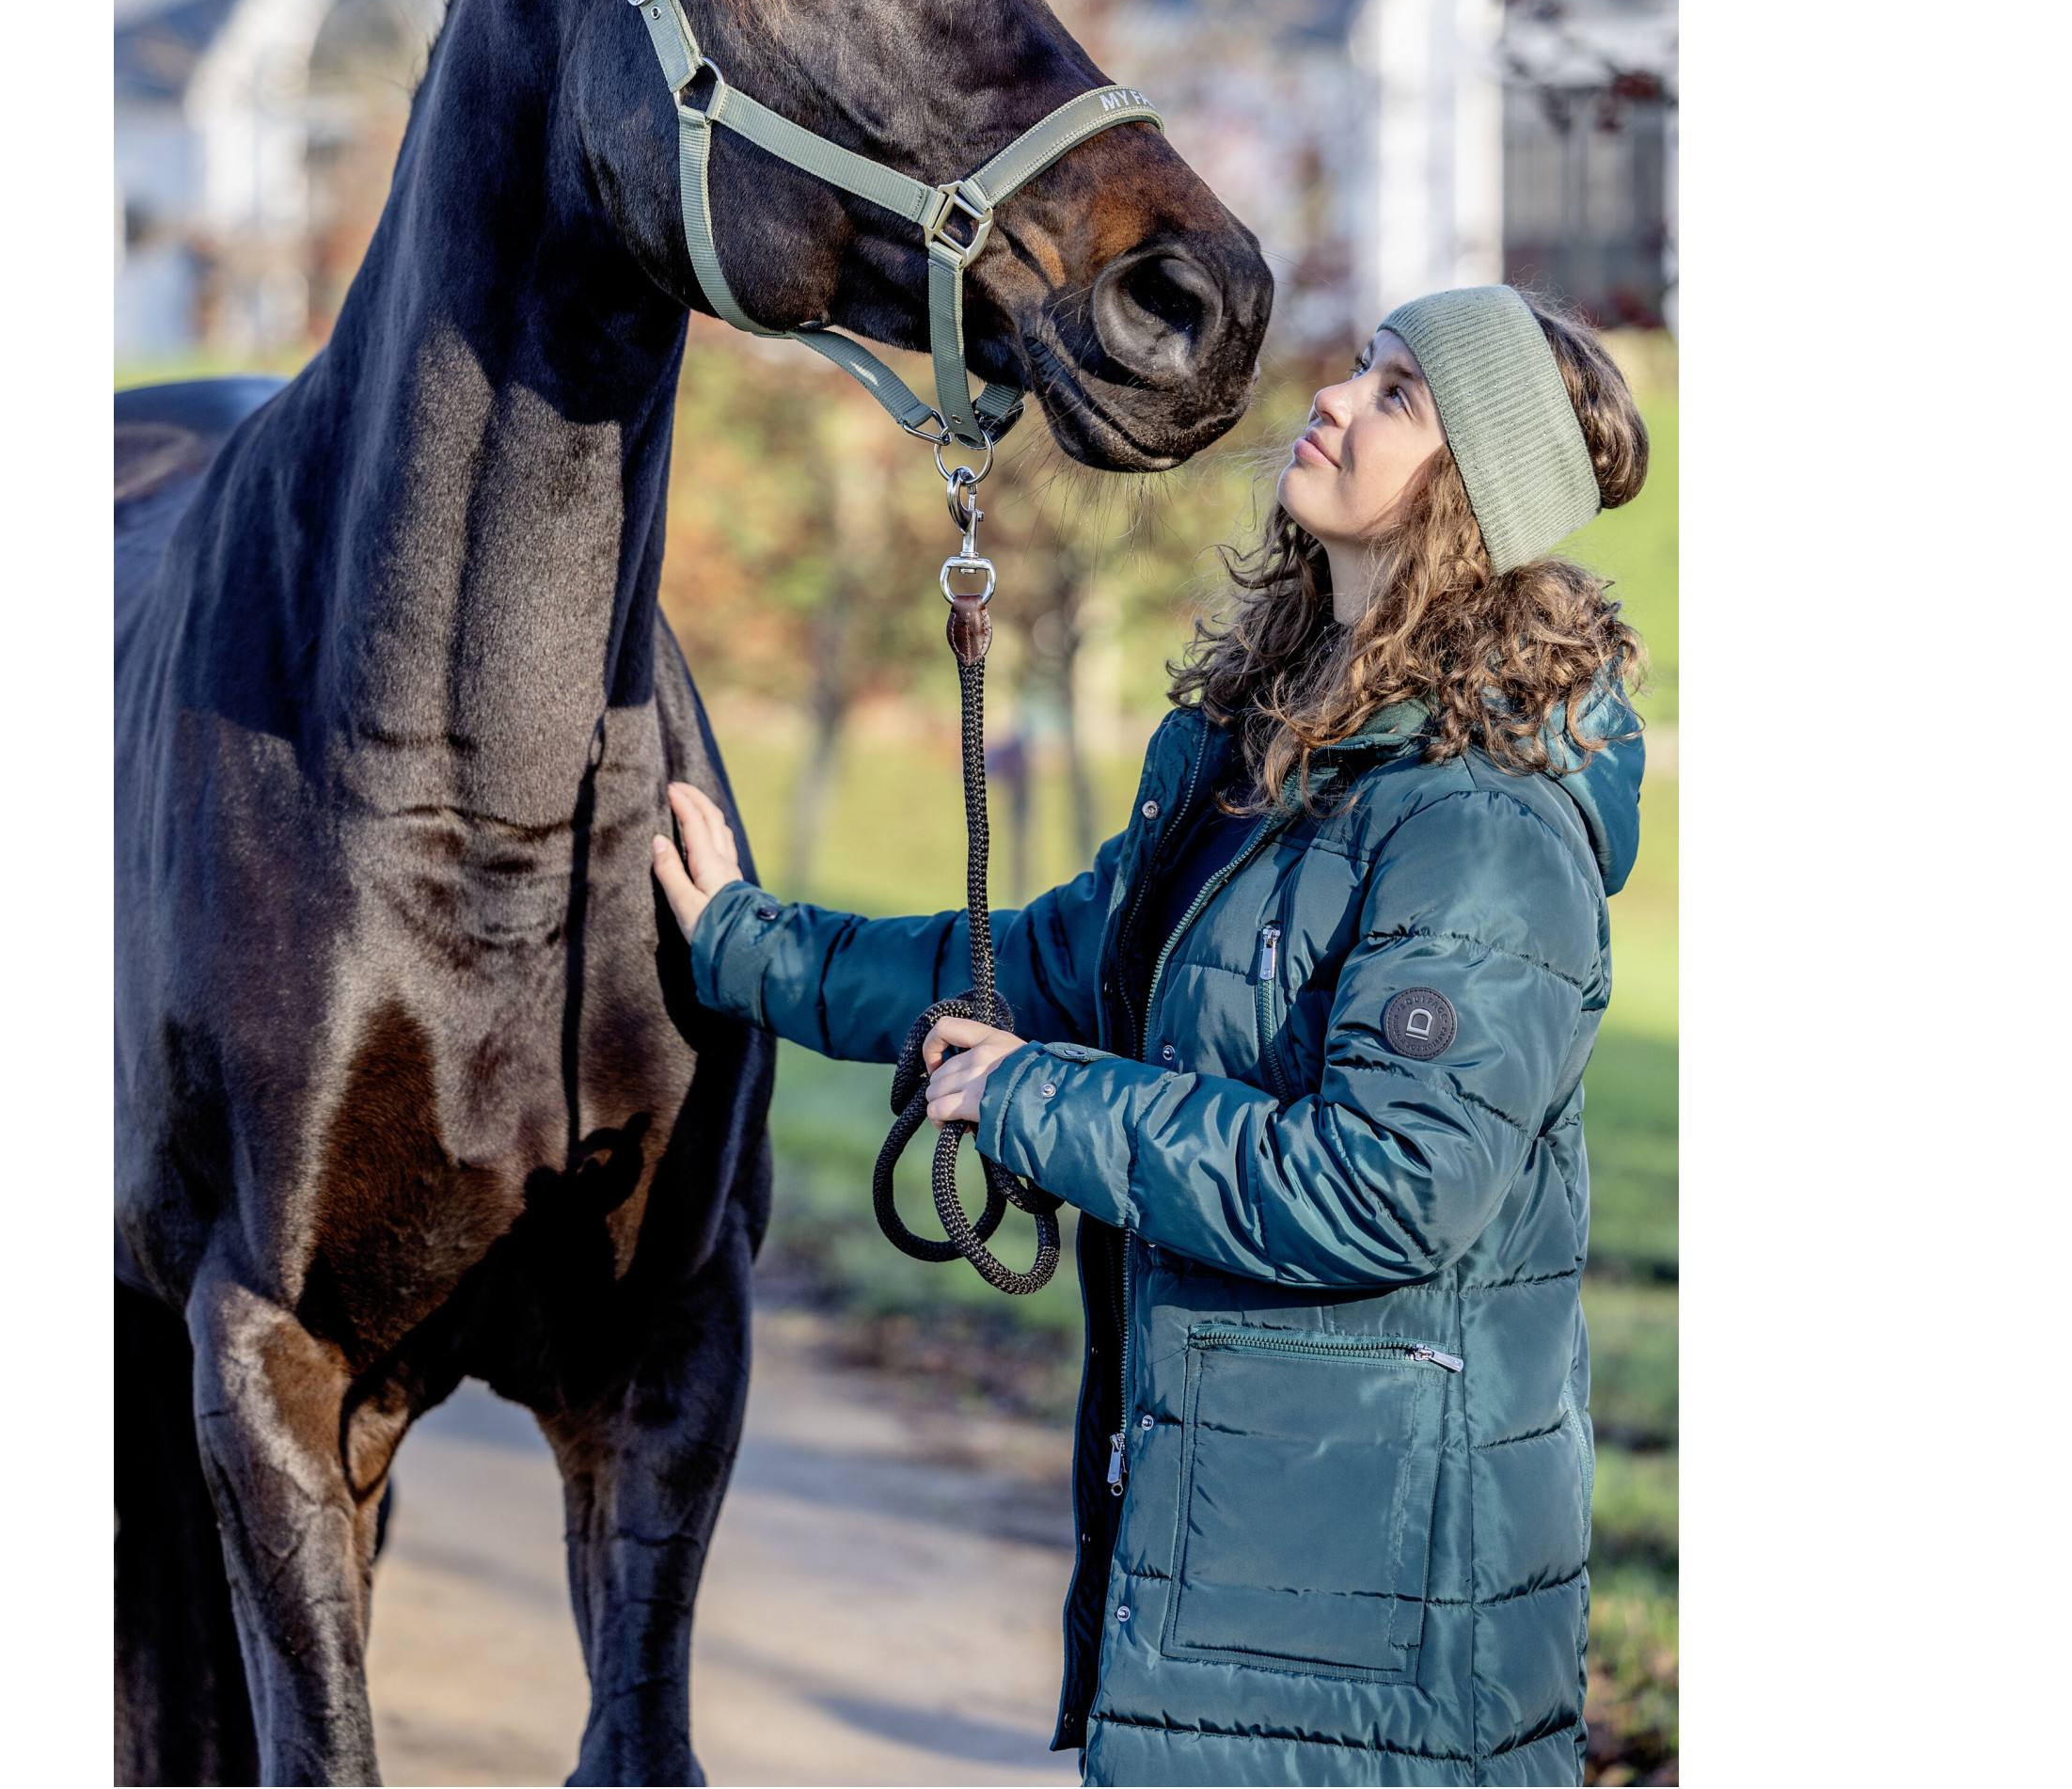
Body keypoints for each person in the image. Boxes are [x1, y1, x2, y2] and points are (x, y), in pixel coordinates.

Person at [654, 284, 1650, 1787]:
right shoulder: (1259, 768)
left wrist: (1045, 1107)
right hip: (1231, 1560)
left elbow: (1389, 1185)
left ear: (1470, 496)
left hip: (1374, 1624)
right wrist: (744, 941)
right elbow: (1024, 968)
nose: (1332, 398)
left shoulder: (1481, 822)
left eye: (1397, 397)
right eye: (1360, 366)